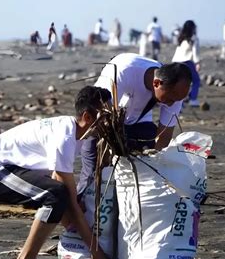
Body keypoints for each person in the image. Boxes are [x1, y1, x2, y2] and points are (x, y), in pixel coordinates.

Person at [0, 86, 112, 259]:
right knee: (56, 195)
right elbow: (67, 199)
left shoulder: (76, 133)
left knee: (60, 194)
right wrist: (96, 253)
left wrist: (72, 222)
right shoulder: (65, 137)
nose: (110, 122)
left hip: (12, 169)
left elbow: (59, 181)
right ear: (88, 117)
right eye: (106, 116)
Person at [79, 53, 192, 192]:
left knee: (144, 163)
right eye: (170, 98)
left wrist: (156, 163)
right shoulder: (124, 71)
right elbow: (100, 115)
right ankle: (81, 201)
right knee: (94, 172)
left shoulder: (175, 92)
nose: (172, 103)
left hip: (138, 119)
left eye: (178, 99)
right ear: (156, 83)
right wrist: (106, 159)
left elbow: (164, 135)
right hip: (101, 120)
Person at [172, 20, 201, 107]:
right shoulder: (194, 38)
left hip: (175, 62)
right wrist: (197, 63)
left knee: (180, 83)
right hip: (186, 62)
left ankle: (179, 103)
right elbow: (195, 52)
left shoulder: (181, 38)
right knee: (196, 81)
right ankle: (193, 99)